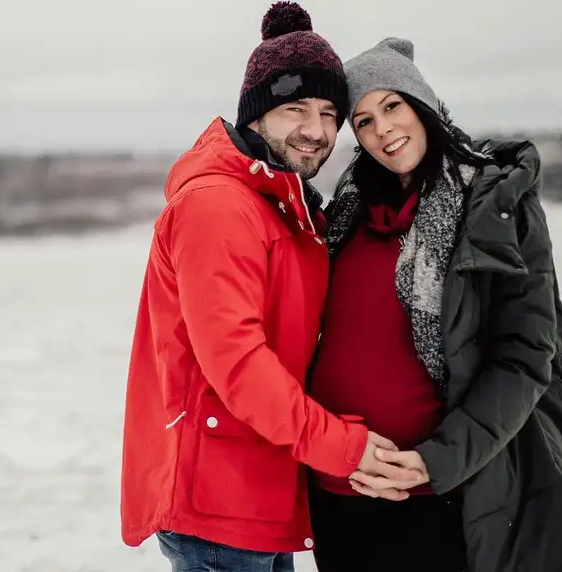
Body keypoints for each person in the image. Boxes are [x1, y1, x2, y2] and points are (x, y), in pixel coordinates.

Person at [119, 4, 422, 571]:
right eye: (295, 109)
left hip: (259, 489)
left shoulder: (283, 205)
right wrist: (344, 447)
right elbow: (237, 363)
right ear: (256, 115)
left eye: (331, 112)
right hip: (217, 505)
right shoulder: (220, 206)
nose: (316, 131)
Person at [307, 36, 562, 572]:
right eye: (364, 121)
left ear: (421, 103)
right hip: (341, 493)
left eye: (392, 106)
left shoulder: (493, 205)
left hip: (438, 495)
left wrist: (434, 462)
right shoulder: (346, 214)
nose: (383, 131)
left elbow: (525, 356)